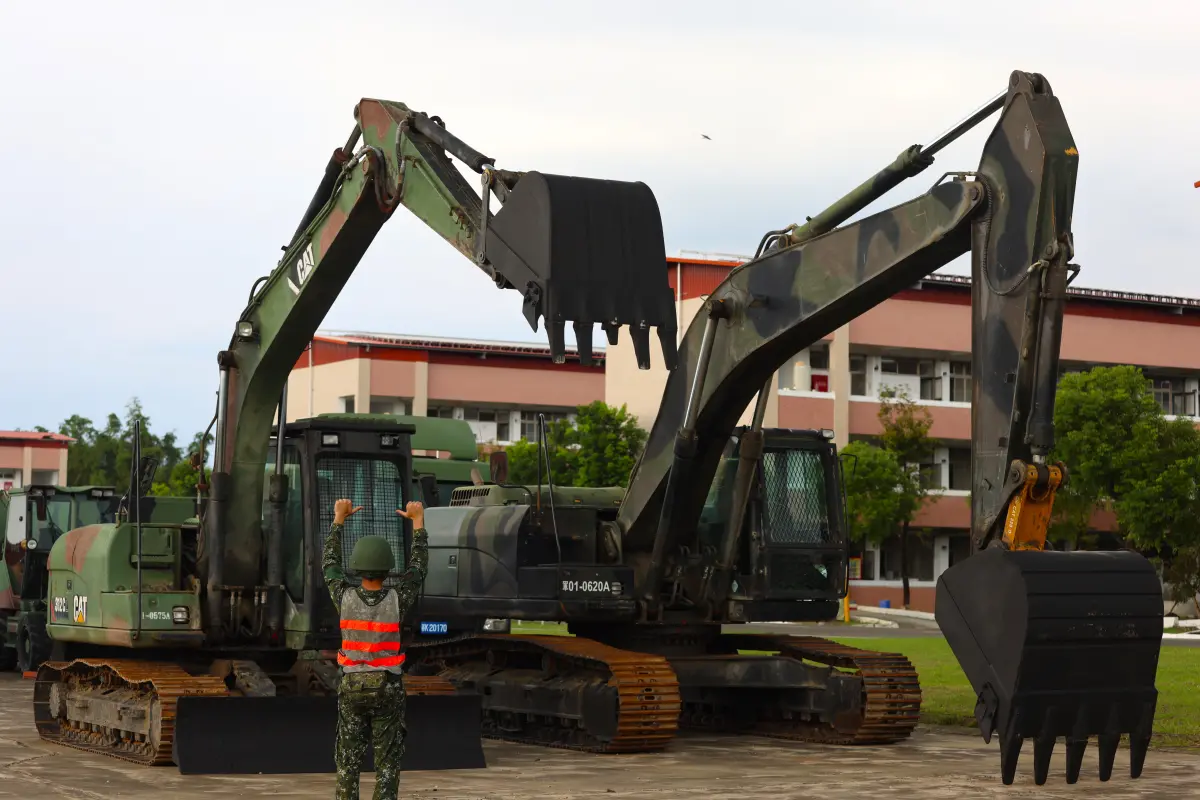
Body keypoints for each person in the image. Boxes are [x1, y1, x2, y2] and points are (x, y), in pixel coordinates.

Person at [324, 497, 429, 800]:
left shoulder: (343, 597)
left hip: (352, 687)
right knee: (387, 764)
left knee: (347, 762)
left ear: (357, 568)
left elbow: (329, 563)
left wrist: (338, 520)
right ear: (387, 567)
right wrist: (418, 523)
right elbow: (418, 569)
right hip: (388, 689)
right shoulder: (398, 599)